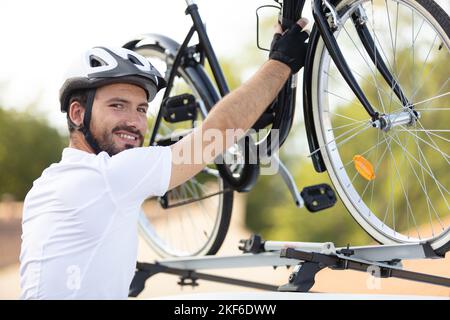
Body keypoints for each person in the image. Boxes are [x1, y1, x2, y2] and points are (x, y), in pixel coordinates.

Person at [19, 18, 310, 299]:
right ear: (77, 113)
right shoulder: (105, 177)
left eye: (142, 109)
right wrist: (281, 63)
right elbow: (218, 132)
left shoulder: (49, 183)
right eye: (118, 106)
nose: (134, 122)